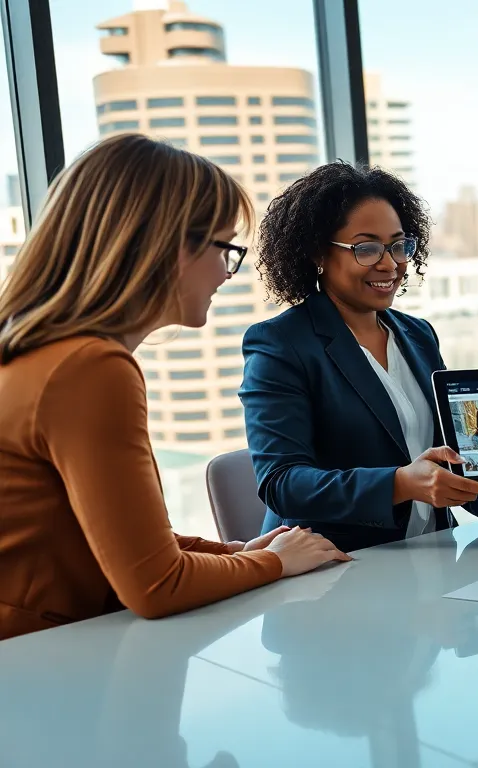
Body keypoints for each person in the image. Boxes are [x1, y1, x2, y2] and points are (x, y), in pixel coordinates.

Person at [0, 134, 349, 642]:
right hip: (46, 670)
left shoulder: (40, 354)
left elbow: (125, 540)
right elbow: (156, 584)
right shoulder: (90, 369)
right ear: (162, 244)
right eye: (225, 249)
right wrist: (274, 564)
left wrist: (238, 555)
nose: (227, 274)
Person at [241, 162, 478, 554]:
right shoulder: (279, 344)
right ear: (317, 252)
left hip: (433, 554)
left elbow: (447, 461)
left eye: (397, 245)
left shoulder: (417, 334)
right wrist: (400, 483)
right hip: (336, 566)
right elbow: (282, 483)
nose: (389, 263)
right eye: (367, 248)